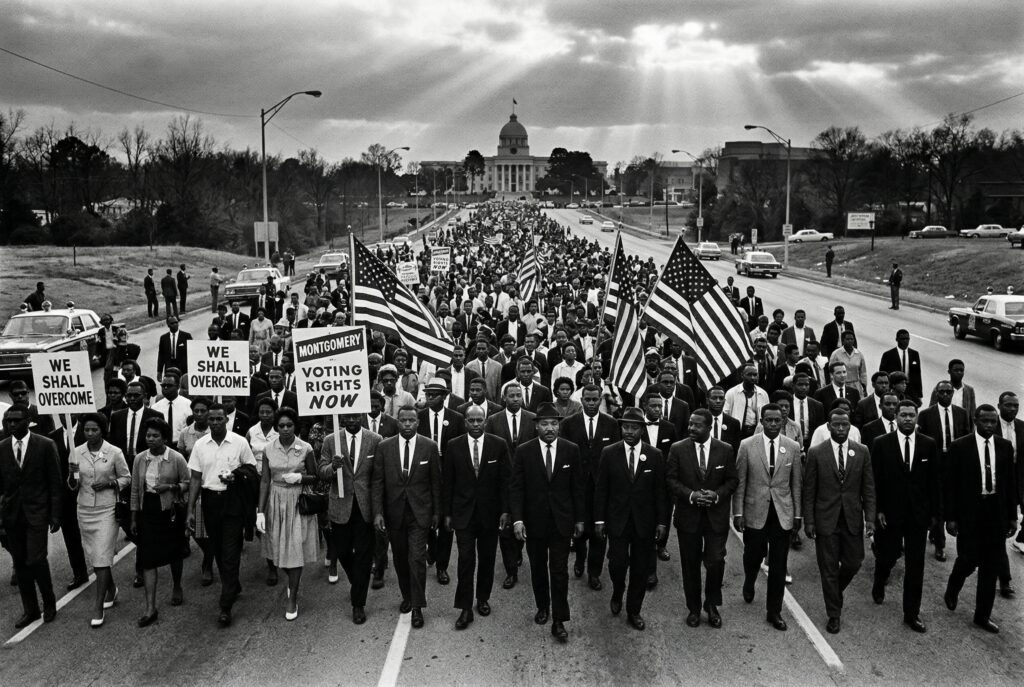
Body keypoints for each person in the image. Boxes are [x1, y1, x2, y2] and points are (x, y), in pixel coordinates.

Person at [510, 402, 585, 643]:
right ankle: (542, 606)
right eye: (545, 424)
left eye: (554, 423)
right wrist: (518, 520)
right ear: (536, 426)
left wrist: (579, 519)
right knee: (538, 567)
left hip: (562, 522)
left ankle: (559, 619)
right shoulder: (524, 451)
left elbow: (578, 488)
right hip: (534, 521)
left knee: (559, 570)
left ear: (559, 426)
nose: (550, 428)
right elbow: (517, 488)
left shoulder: (571, 450)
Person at [943, 405, 1017, 634]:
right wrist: (951, 517)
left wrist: (1012, 517)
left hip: (995, 512)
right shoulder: (960, 446)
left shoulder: (1004, 447)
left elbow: (1009, 485)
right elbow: (950, 485)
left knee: (991, 565)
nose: (989, 425)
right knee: (968, 558)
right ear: (975, 420)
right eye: (985, 421)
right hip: (970, 513)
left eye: (993, 422)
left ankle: (982, 615)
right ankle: (954, 585)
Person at [593, 407, 668, 632]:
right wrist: (598, 521)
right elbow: (601, 490)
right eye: (625, 427)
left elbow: (660, 493)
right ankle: (618, 590)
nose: (629, 431)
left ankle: (634, 610)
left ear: (642, 430)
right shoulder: (609, 452)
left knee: (640, 568)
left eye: (634, 428)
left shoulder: (654, 455)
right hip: (617, 520)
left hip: (644, 523)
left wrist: (662, 522)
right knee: (617, 563)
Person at [802, 408, 876, 634]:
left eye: (845, 425)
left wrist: (870, 518)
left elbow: (869, 488)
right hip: (826, 520)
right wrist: (809, 521)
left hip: (852, 518)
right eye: (837, 425)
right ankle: (834, 613)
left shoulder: (861, 451)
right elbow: (809, 490)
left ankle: (835, 592)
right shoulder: (816, 453)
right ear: (829, 426)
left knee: (854, 562)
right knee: (829, 568)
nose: (841, 429)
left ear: (850, 426)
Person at [186, 403, 259, 627]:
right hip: (210, 502)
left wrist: (236, 477)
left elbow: (252, 470)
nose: (215, 423)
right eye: (212, 420)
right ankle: (233, 584)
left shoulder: (239, 442)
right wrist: (190, 509)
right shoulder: (200, 445)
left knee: (230, 551)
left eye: (219, 419)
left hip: (233, 502)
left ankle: (225, 605)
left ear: (227, 420)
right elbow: (196, 479)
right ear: (207, 421)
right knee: (216, 548)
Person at [870, 400, 940, 633]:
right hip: (889, 513)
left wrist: (934, 515)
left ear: (917, 417)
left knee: (915, 565)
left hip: (917, 516)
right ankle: (880, 581)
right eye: (903, 415)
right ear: (896, 417)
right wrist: (877, 509)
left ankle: (912, 613)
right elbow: (875, 481)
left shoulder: (929, 445)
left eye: (912, 415)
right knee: (888, 555)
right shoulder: (882, 443)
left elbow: (934, 482)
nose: (908, 419)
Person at [733, 404, 803, 631]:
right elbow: (740, 482)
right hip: (755, 512)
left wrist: (797, 515)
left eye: (777, 420)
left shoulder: (792, 447)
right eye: (768, 420)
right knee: (753, 554)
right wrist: (738, 512)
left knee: (779, 564)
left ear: (783, 421)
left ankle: (774, 611)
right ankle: (750, 579)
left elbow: (796, 485)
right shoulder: (747, 446)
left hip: (782, 513)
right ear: (761, 421)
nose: (773, 424)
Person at [371, 405, 442, 630]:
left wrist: (437, 513)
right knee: (400, 558)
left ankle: (418, 607)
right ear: (397, 422)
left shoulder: (429, 446)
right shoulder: (384, 447)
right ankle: (407, 596)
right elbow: (378, 483)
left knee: (417, 558)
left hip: (420, 514)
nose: (408, 424)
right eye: (403, 420)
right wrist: (378, 512)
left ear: (418, 422)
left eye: (412, 420)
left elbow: (435, 483)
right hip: (394, 513)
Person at [666, 409, 738, 629]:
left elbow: (732, 480)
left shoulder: (725, 450)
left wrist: (717, 495)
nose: (691, 428)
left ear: (708, 428)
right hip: (689, 517)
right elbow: (670, 479)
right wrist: (691, 495)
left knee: (716, 561)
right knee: (690, 565)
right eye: (690, 424)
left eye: (697, 425)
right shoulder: (678, 449)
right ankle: (694, 608)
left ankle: (712, 604)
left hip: (716, 518)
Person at [442, 405, 512, 630]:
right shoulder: (453, 446)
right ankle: (464, 607)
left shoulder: (498, 445)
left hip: (490, 515)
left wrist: (505, 511)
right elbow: (448, 483)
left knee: (487, 558)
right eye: (470, 420)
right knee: (465, 560)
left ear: (485, 421)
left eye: (478, 420)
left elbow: (505, 482)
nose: (474, 424)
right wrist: (448, 513)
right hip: (463, 514)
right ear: (464, 422)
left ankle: (482, 598)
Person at [0, 405, 62, 628]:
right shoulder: (2, 448)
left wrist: (55, 514)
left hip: (37, 513)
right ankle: (31, 610)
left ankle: (49, 602)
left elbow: (55, 482)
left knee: (36, 559)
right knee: (21, 563)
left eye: (16, 421)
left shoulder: (45, 445)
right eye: (8, 421)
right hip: (12, 516)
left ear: (28, 421)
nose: (11, 425)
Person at [318, 413, 381, 625]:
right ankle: (358, 581)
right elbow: (321, 471)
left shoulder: (375, 439)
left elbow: (378, 475)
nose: (353, 421)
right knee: (343, 551)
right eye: (348, 417)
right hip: (340, 505)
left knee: (364, 554)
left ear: (362, 417)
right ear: (343, 418)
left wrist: (379, 508)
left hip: (365, 507)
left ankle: (358, 604)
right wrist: (333, 467)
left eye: (356, 417)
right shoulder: (331, 441)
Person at [257, 407, 319, 620]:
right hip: (275, 500)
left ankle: (293, 595)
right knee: (278, 549)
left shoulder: (305, 448)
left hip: (297, 501)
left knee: (294, 548)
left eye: (289, 425)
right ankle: (291, 582)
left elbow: (315, 476)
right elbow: (265, 480)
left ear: (295, 426)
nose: (285, 429)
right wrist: (260, 511)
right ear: (276, 427)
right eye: (281, 425)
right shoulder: (268, 449)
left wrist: (300, 478)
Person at [72, 412, 131, 627]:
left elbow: (126, 477)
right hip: (85, 509)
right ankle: (112, 589)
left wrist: (109, 484)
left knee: (102, 555)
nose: (89, 434)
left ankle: (98, 605)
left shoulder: (114, 452)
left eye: (94, 430)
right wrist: (72, 475)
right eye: (86, 430)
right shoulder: (76, 453)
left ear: (102, 430)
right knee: (97, 556)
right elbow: (72, 486)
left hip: (107, 509)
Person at [130, 417, 190, 627]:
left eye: (156, 436)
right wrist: (134, 516)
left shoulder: (176, 458)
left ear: (165, 438)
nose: (151, 439)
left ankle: (176, 585)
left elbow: (187, 482)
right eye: (148, 435)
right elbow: (136, 490)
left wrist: (171, 488)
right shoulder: (139, 459)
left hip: (170, 511)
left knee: (174, 553)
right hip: (148, 511)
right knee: (147, 558)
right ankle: (150, 607)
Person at [560, 384, 621, 591]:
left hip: (601, 489)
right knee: (579, 530)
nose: (592, 403)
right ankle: (579, 559)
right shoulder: (569, 424)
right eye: (588, 399)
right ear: (582, 400)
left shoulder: (611, 424)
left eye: (595, 399)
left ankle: (594, 572)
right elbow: (565, 453)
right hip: (577, 487)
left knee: (599, 532)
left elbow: (615, 455)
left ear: (600, 400)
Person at [917, 380, 972, 562]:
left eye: (949, 392)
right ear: (937, 394)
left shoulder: (962, 414)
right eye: (943, 392)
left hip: (956, 463)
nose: (946, 395)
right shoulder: (926, 415)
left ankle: (941, 534)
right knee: (938, 501)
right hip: (936, 462)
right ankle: (940, 544)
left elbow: (966, 437)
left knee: (954, 499)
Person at [417, 380, 465, 584]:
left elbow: (460, 449)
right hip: (423, 478)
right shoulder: (418, 418)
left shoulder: (456, 418)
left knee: (446, 524)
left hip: (447, 479)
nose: (429, 398)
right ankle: (432, 548)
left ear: (444, 396)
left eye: (434, 394)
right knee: (425, 520)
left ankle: (442, 567)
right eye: (427, 394)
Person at [879, 330, 923, 402]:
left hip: (911, 392)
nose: (905, 341)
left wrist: (919, 395)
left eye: (907, 339)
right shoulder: (888, 355)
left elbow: (918, 375)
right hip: (894, 390)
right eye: (903, 339)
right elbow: (883, 374)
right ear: (897, 339)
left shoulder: (914, 354)